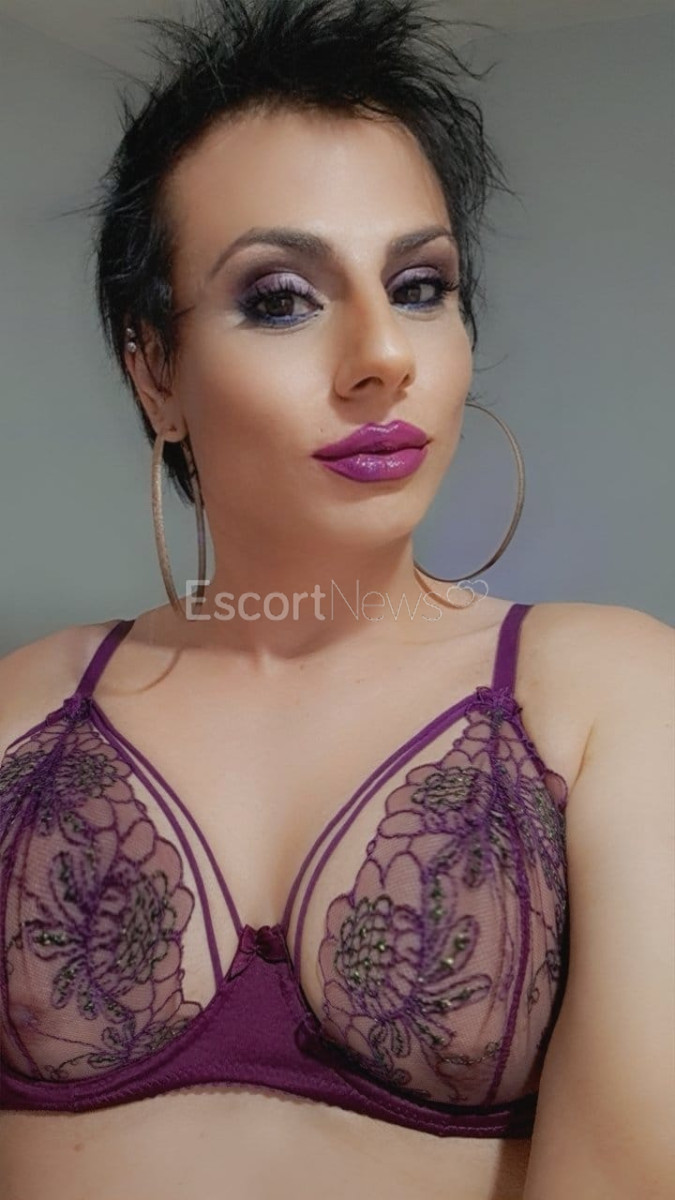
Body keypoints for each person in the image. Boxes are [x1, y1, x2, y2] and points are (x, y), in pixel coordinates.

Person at [0, 2, 672, 1198]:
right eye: (279, 297)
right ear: (154, 369)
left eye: (419, 285)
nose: (384, 355)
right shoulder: (18, 713)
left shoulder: (612, 696)